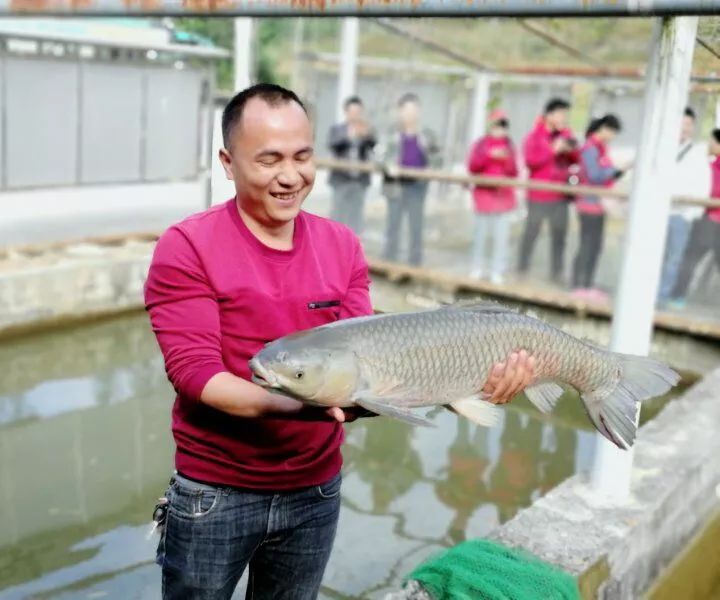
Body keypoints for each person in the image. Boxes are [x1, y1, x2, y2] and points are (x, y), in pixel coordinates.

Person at [143, 83, 536, 599]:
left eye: (302, 156)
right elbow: (196, 375)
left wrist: (471, 384)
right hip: (215, 494)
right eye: (268, 160)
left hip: (315, 491)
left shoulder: (341, 245)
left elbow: (372, 373)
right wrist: (307, 405)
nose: (290, 175)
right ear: (228, 161)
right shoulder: (188, 246)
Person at [517, 98, 580, 285]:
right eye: (560, 114)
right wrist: (553, 149)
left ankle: (556, 273)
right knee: (531, 232)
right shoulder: (535, 136)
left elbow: (576, 159)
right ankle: (522, 269)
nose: (563, 118)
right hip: (539, 195)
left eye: (565, 115)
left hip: (560, 195)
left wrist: (569, 147)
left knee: (559, 235)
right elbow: (531, 162)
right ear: (549, 115)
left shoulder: (565, 135)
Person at [657, 107, 712, 305]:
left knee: (674, 258)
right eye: (681, 124)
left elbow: (703, 185)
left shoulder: (696, 153)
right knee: (654, 255)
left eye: (688, 124)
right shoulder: (660, 148)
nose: (684, 128)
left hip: (681, 215)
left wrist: (691, 213)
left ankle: (661, 297)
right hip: (658, 212)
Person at [380, 93, 442, 266]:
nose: (410, 114)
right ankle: (389, 262)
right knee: (393, 225)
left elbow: (439, 158)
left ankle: (414, 263)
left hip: (417, 187)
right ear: (400, 112)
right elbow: (379, 156)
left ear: (419, 112)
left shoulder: (427, 135)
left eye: (414, 110)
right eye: (406, 110)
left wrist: (431, 167)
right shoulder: (391, 133)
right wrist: (389, 166)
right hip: (395, 186)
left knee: (416, 227)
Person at [571, 114, 625, 302]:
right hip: (588, 203)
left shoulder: (601, 149)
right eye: (611, 132)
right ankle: (578, 284)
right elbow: (594, 175)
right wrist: (613, 171)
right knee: (587, 244)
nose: (611, 136)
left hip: (600, 204)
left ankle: (587, 283)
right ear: (603, 128)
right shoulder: (590, 148)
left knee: (596, 245)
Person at [667, 127, 720, 308]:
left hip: (709, 221)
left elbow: (708, 190)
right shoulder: (709, 165)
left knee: (690, 259)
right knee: (690, 260)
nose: (710, 145)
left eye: (713, 142)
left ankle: (677, 295)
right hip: (708, 220)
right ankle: (677, 296)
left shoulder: (711, 168)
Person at [467, 108, 519, 285]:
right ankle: (477, 267)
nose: (500, 129)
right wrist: (489, 156)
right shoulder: (481, 145)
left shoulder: (510, 147)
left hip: (503, 199)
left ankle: (497, 270)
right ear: (490, 126)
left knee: (501, 237)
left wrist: (506, 159)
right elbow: (473, 166)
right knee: (481, 235)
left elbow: (514, 172)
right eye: (497, 124)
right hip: (483, 197)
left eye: (503, 125)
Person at [327, 96, 377, 235]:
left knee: (356, 216)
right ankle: (333, 244)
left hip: (359, 181)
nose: (355, 115)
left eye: (358, 112)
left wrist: (366, 135)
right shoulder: (337, 129)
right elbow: (333, 145)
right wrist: (349, 136)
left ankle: (353, 246)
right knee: (337, 214)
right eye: (352, 112)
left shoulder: (366, 130)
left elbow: (374, 145)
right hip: (341, 179)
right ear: (346, 112)